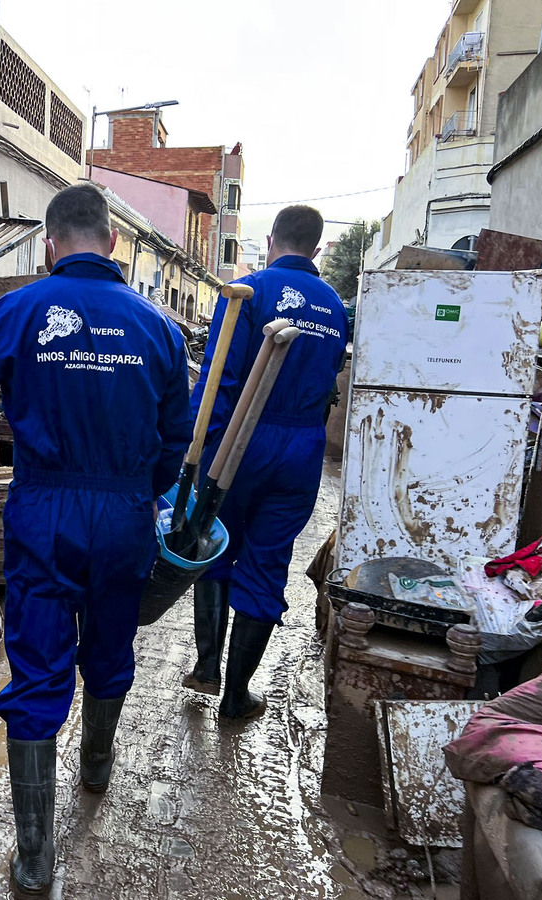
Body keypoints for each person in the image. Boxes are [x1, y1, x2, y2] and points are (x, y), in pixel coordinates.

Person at [0, 182, 191, 895]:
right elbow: (175, 437)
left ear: (49, 243)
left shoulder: (19, 310)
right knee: (109, 642)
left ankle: (35, 857)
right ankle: (96, 764)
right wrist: (145, 489)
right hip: (125, 513)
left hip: (45, 511)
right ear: (115, 242)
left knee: (38, 666)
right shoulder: (158, 329)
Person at [181, 205, 348, 719]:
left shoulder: (247, 293)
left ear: (271, 239)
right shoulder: (336, 308)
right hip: (300, 448)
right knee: (267, 560)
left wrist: (194, 454)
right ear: (317, 249)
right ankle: (236, 696)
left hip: (239, 443)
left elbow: (218, 381)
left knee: (210, 544)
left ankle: (207, 667)